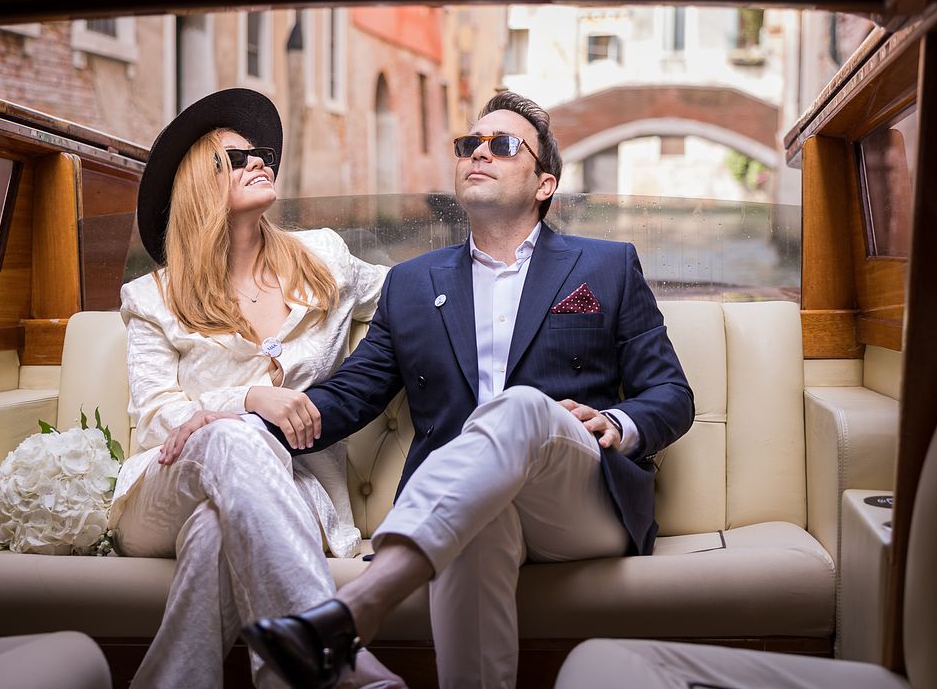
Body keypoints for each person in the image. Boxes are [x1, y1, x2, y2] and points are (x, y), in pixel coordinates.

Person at [242, 91, 695, 688]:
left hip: (580, 500)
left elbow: (670, 393)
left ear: (544, 183)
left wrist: (614, 422)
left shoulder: (605, 266)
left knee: (521, 407)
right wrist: (239, 420)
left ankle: (360, 605)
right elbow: (349, 396)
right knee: (479, 519)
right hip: (466, 506)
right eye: (468, 145)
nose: (478, 154)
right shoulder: (411, 284)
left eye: (503, 145)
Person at [109, 88, 403, 689]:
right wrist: (245, 400)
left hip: (292, 489)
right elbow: (158, 419)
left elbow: (415, 295)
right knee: (235, 436)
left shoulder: (324, 259)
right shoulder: (152, 298)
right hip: (165, 489)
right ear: (199, 184)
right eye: (236, 159)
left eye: (261, 155)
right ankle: (329, 648)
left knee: (215, 533)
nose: (259, 162)